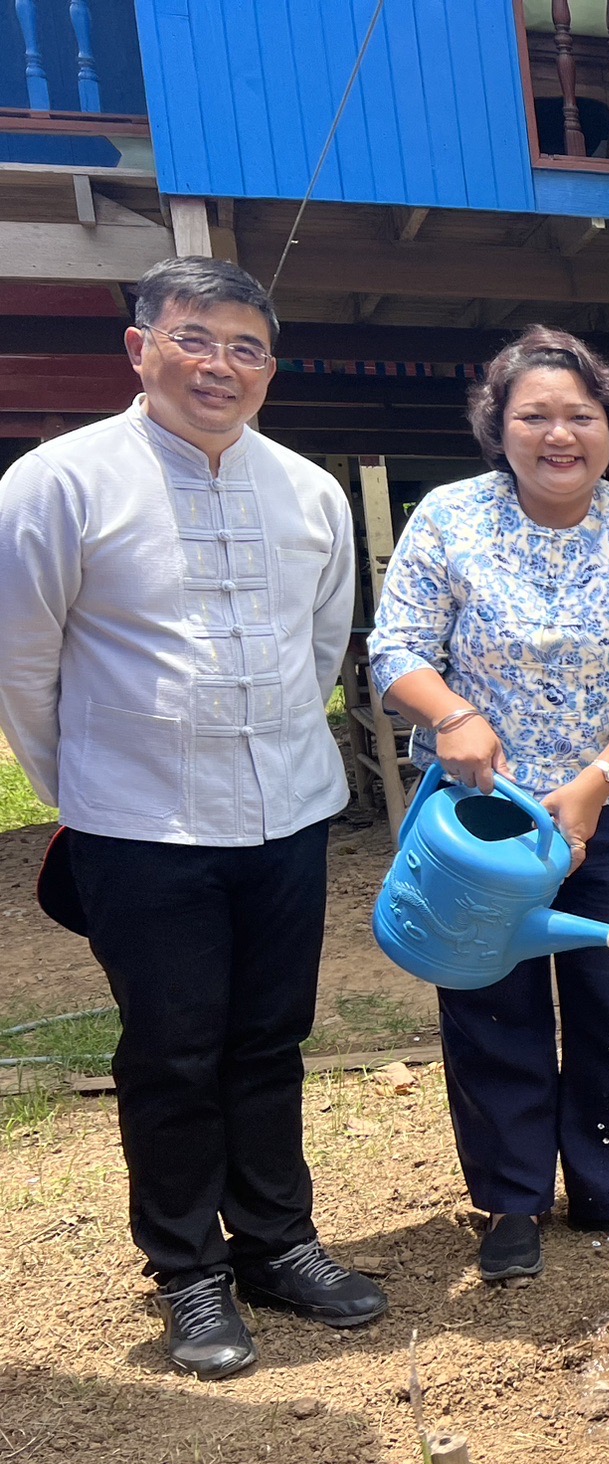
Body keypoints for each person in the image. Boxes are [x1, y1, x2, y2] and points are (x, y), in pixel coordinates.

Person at [0, 256, 388, 1378]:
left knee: (271, 1036)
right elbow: (24, 668)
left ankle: (276, 1241)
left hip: (286, 811)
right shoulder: (59, 483)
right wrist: (90, 789)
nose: (219, 365)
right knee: (171, 1050)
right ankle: (188, 1270)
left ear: (270, 366)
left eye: (246, 346)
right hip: (138, 822)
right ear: (141, 348)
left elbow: (321, 650)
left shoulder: (307, 490)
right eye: (194, 338)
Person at [370, 327, 609, 1283]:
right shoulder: (447, 518)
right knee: (491, 1001)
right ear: (498, 427)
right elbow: (397, 649)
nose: (560, 435)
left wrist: (596, 783)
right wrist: (455, 715)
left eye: (580, 417)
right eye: (535, 416)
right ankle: (510, 1201)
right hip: (480, 820)